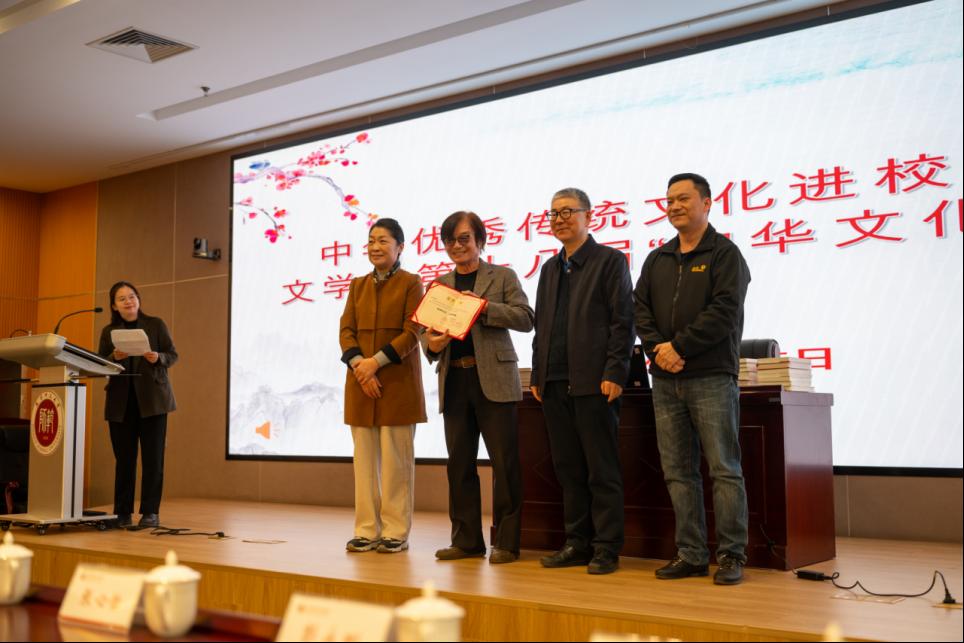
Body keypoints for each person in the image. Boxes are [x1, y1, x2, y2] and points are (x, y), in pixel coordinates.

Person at [633, 173, 751, 585]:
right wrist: (657, 350)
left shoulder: (725, 254)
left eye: (684, 198)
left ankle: (732, 555)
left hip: (711, 376)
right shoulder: (658, 258)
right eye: (669, 200)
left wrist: (678, 347)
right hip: (665, 380)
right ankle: (692, 553)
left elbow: (724, 311)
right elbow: (640, 310)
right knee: (678, 471)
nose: (675, 206)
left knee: (724, 468)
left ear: (707, 202)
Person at [530, 188, 634, 575]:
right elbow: (542, 326)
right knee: (568, 468)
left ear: (589, 216)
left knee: (601, 469)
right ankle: (577, 542)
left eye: (567, 212)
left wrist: (615, 372)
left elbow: (623, 321)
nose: (559, 219)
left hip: (595, 381)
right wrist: (538, 372)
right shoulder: (549, 269)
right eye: (553, 213)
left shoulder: (610, 261)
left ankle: (606, 547)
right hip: (554, 382)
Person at [424, 211, 534, 565]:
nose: (457, 246)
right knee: (459, 465)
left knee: (504, 464)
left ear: (480, 241)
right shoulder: (438, 285)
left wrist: (483, 308)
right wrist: (432, 344)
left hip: (495, 380)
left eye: (464, 239)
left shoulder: (502, 276)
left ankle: (507, 542)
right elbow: (428, 337)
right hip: (455, 380)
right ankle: (467, 541)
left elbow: (526, 318)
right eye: (450, 240)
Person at [340, 218, 426, 554]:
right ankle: (366, 530)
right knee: (364, 464)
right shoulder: (357, 285)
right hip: (361, 383)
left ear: (400, 247)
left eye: (384, 241)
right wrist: (360, 367)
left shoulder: (412, 282)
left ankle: (395, 531)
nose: (375, 247)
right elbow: (346, 331)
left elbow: (412, 332)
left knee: (395, 465)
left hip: (397, 383)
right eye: (371, 240)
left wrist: (375, 363)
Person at [97, 281, 177, 529]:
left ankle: (150, 512)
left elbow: (172, 354)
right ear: (114, 306)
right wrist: (113, 357)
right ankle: (122, 512)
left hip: (153, 401)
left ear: (138, 299)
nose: (128, 301)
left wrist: (158, 357)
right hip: (121, 403)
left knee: (153, 459)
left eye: (132, 296)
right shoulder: (109, 331)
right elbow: (99, 362)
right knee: (124, 460)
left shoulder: (155, 324)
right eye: (122, 299)